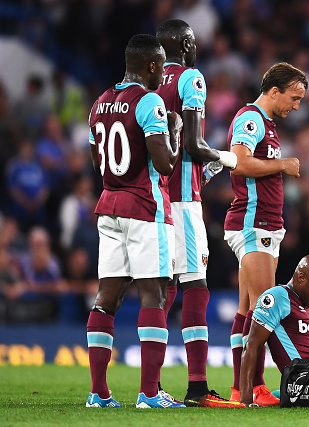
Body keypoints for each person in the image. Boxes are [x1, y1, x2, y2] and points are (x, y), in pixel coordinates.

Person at [85, 34, 184, 409]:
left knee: (106, 299)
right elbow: (165, 164)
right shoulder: (149, 101)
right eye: (161, 67)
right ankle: (149, 393)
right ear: (153, 66)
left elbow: (98, 163)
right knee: (153, 295)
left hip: (108, 205)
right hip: (145, 208)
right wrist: (173, 130)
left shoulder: (100, 102)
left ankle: (99, 393)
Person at [155, 18, 239, 408]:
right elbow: (191, 140)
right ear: (187, 43)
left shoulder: (148, 81)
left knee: (161, 289)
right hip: (184, 202)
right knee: (196, 287)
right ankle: (197, 388)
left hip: (153, 198)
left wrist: (203, 167)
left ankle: (149, 388)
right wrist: (225, 157)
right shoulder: (191, 77)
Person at [224, 62, 307, 405]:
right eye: (294, 97)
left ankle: (241, 388)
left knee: (247, 310)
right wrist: (282, 164)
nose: (297, 106)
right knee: (266, 309)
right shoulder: (251, 118)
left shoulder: (268, 124)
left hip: (268, 225)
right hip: (251, 223)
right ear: (274, 91)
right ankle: (260, 386)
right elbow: (239, 162)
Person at [239, 254, 309, 406]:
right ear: (301, 277)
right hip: (308, 378)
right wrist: (245, 401)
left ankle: (284, 395)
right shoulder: (278, 297)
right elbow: (251, 345)